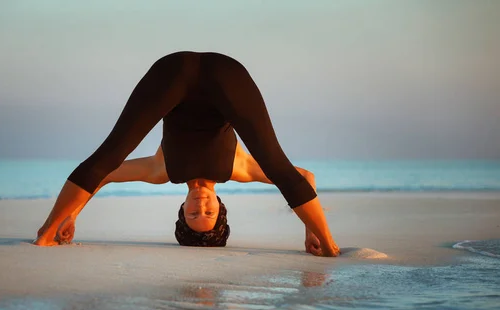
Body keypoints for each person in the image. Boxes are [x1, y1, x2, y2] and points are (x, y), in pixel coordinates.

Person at [35, 51, 339, 256]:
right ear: (221, 208)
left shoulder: (162, 171)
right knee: (278, 167)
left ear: (182, 210)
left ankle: (46, 233)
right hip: (227, 76)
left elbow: (105, 175)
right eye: (209, 213)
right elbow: (304, 177)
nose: (201, 207)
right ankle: (330, 246)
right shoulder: (238, 170)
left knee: (108, 156)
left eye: (193, 214)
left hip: (172, 74)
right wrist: (311, 232)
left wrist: (71, 216)